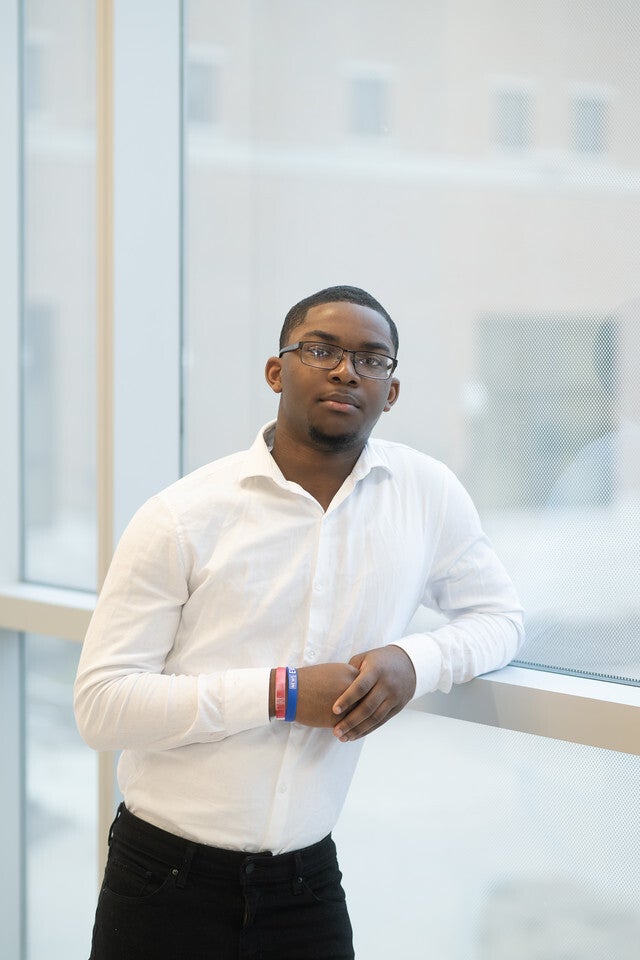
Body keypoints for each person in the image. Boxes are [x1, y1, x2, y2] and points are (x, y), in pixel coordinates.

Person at [74, 284, 523, 960]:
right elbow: (103, 708)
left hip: (306, 882)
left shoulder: (426, 495)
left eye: (372, 359)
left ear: (391, 392)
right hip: (163, 881)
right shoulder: (183, 514)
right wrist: (282, 694)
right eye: (322, 350)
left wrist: (414, 662)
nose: (347, 370)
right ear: (277, 372)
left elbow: (500, 617)